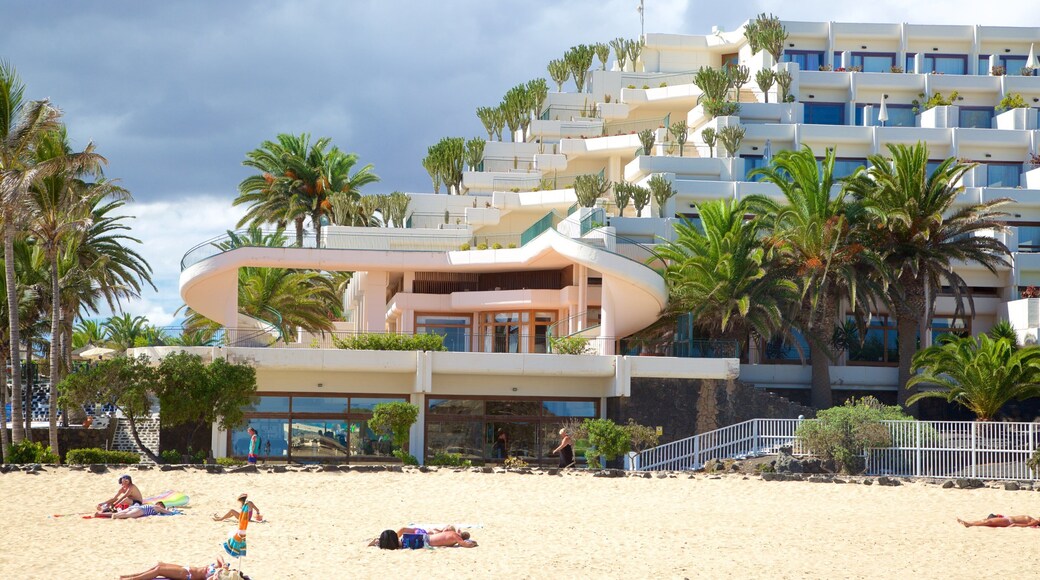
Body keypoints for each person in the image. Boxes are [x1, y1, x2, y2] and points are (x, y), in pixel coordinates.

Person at [119, 556, 232, 580]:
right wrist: (223, 564)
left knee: (159, 570)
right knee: (159, 564)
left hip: (187, 575)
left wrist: (216, 576)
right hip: (185, 568)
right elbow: (218, 556)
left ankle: (133, 579)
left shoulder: (217, 577)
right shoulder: (220, 569)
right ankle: (132, 575)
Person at [369, 527, 475, 548]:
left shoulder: (453, 535)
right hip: (424, 539)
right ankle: (379, 542)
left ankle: (380, 541)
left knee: (401, 540)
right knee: (400, 543)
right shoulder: (454, 536)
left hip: (422, 538)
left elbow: (463, 542)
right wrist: (470, 543)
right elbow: (465, 543)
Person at [222, 493, 254, 558]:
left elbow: (241, 514)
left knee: (231, 511)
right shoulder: (248, 503)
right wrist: (258, 514)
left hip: (244, 519)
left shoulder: (246, 504)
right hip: (246, 518)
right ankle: (223, 518)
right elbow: (257, 510)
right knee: (232, 512)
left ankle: (221, 518)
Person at [109, 501, 175, 519]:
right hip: (142, 510)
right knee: (128, 515)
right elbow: (168, 512)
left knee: (125, 512)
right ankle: (115, 516)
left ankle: (115, 513)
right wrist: (173, 512)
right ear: (159, 505)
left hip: (137, 507)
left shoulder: (152, 505)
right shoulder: (157, 507)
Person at [958, 514, 1040, 528]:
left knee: (988, 522)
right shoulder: (1033, 519)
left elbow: (1027, 525)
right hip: (1008, 520)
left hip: (1009, 521)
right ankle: (970, 523)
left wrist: (1015, 525)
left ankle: (969, 524)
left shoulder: (1036, 520)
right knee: (987, 521)